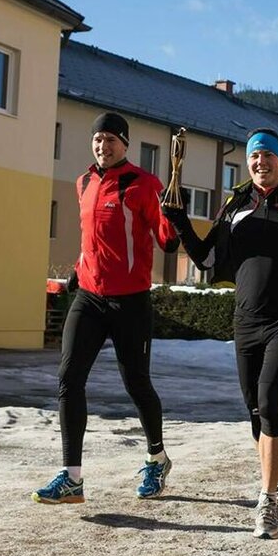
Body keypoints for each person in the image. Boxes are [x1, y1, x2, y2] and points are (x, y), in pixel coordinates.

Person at [161, 127, 278, 540]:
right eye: (254, 157)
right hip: (246, 322)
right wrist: (179, 221)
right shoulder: (235, 205)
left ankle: (267, 500)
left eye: (268, 156)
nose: (260, 162)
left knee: (270, 400)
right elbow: (208, 256)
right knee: (255, 411)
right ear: (247, 163)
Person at [32, 112, 181, 505]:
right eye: (98, 139)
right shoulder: (83, 182)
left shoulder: (143, 184)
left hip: (131, 301)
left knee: (136, 382)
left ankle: (156, 458)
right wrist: (79, 270)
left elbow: (166, 242)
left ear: (125, 144)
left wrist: (174, 213)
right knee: (68, 379)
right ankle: (72, 477)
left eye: (111, 139)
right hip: (90, 296)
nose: (103, 145)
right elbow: (90, 237)